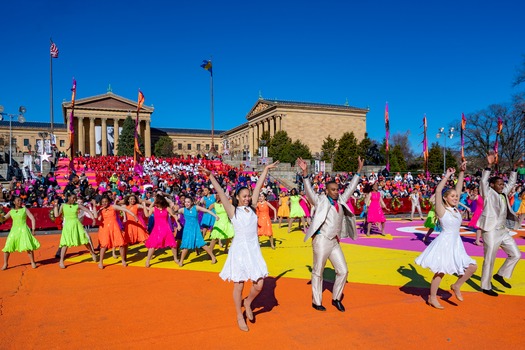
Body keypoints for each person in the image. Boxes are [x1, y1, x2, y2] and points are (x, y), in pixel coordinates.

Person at [200, 161, 278, 332]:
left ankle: (248, 302)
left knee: (259, 284)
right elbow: (220, 191)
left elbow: (258, 186)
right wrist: (210, 176)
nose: (248, 198)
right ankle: (238, 314)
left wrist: (265, 169)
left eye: (248, 196)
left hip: (253, 250)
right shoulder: (232, 210)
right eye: (244, 196)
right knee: (239, 285)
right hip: (239, 251)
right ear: (237, 197)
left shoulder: (252, 207)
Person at [298, 156, 363, 312]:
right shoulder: (320, 200)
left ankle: (336, 298)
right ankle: (317, 301)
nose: (336, 192)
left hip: (334, 242)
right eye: (333, 190)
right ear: (326, 190)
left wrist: (359, 171)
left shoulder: (341, 199)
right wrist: (305, 173)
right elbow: (309, 192)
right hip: (321, 240)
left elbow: (351, 188)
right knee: (318, 271)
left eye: (337, 189)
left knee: (343, 271)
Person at [415, 164, 477, 309]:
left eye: (456, 196)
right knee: (440, 272)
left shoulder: (455, 209)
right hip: (445, 243)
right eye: (453, 196)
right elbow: (437, 191)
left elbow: (459, 188)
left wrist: (462, 172)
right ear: (445, 198)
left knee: (472, 267)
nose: (456, 198)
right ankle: (432, 297)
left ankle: (456, 285)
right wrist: (448, 175)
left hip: (456, 244)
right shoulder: (441, 210)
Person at [476, 154, 521, 297]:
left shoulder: (503, 193)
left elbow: (511, 183)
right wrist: (488, 166)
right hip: (490, 231)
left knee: (516, 254)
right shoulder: (488, 193)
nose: (503, 186)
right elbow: (483, 181)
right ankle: (485, 285)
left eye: (503, 184)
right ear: (492, 185)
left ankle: (500, 275)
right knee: (489, 259)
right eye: (500, 184)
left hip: (503, 231)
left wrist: (514, 169)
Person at [54, 193, 98, 269]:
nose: (74, 200)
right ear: (68, 198)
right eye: (73, 198)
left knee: (85, 240)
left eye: (75, 198)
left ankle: (92, 252)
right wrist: (55, 205)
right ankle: (61, 261)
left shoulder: (77, 205)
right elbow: (56, 215)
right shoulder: (63, 205)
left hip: (77, 224)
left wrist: (93, 219)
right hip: (67, 226)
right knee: (65, 243)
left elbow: (87, 210)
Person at [95, 195, 138, 269]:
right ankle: (101, 262)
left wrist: (134, 215)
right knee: (104, 245)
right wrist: (97, 210)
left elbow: (124, 209)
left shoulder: (113, 207)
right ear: (101, 203)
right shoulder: (101, 210)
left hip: (115, 228)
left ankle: (123, 260)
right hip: (105, 229)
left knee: (121, 244)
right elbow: (97, 218)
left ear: (108, 202)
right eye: (103, 202)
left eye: (106, 201)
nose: (104, 203)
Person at [177, 196, 218, 266]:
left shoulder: (196, 208)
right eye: (185, 202)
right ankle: (181, 261)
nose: (186, 203)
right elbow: (174, 213)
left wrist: (215, 216)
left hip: (195, 229)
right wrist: (178, 223)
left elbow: (207, 210)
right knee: (186, 246)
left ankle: (213, 257)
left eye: (188, 202)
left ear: (192, 202)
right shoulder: (182, 210)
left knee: (202, 244)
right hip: (187, 230)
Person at [2, 197, 39, 270]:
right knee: (8, 246)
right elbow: (4, 218)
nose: (20, 202)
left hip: (24, 230)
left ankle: (32, 262)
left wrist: (33, 229)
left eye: (20, 200)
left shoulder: (24, 209)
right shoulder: (11, 211)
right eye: (18, 200)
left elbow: (32, 218)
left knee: (28, 246)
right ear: (14, 202)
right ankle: (5, 263)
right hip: (14, 231)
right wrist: (1, 217)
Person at [143, 195, 181, 267]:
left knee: (172, 244)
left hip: (166, 229)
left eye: (157, 202)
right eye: (156, 202)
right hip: (157, 229)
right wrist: (144, 206)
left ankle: (175, 259)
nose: (156, 203)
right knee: (153, 245)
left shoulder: (167, 208)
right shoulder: (154, 209)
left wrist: (178, 224)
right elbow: (147, 215)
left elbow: (174, 215)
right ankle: (148, 260)